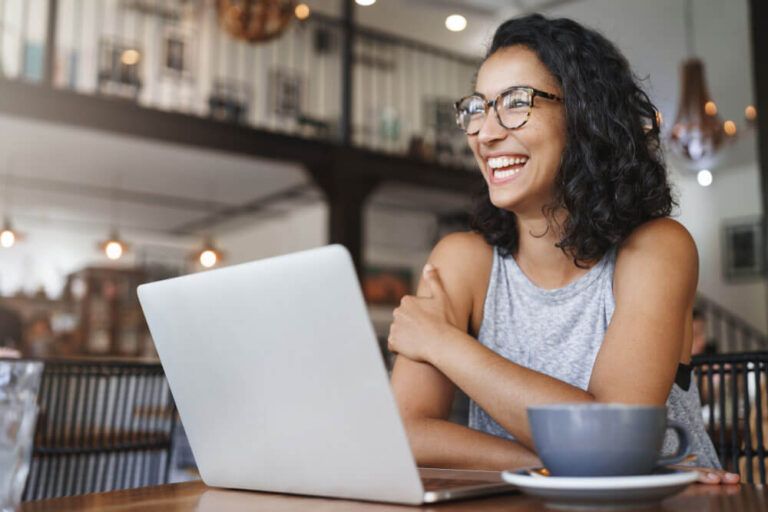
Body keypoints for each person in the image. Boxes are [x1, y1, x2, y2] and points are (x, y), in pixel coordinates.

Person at [387, 14, 739, 484]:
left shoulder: (657, 249)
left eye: (516, 103)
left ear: (583, 116)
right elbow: (405, 432)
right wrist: (548, 466)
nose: (486, 134)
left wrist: (442, 343)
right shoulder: (462, 261)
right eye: (478, 107)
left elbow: (610, 439)